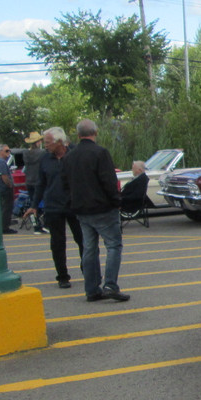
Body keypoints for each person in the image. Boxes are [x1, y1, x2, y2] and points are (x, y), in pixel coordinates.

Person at [61, 119, 129, 302]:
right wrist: (117, 201)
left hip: (82, 210)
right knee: (113, 245)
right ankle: (110, 285)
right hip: (103, 207)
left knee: (89, 249)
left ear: (78, 134)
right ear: (95, 132)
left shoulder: (69, 157)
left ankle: (91, 288)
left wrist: (72, 203)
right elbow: (108, 180)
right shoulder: (100, 153)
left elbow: (65, 184)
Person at [23, 127, 84, 289]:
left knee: (83, 239)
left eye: (48, 143)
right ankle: (62, 276)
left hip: (74, 204)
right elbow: (40, 183)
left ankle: (88, 270)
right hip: (53, 206)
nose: (46, 146)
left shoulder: (75, 154)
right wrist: (34, 205)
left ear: (59, 142)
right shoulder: (45, 159)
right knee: (57, 243)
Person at [22, 131, 46, 233]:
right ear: (38, 142)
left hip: (29, 181)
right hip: (39, 181)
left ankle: (36, 225)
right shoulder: (42, 153)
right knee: (46, 203)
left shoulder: (25, 153)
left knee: (33, 205)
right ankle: (46, 224)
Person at [0, 143, 17, 234]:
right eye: (6, 151)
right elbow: (4, 176)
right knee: (7, 208)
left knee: (2, 208)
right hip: (4, 189)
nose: (9, 153)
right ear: (0, 152)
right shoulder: (1, 162)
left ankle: (1, 226)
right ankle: (5, 227)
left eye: (9, 151)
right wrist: (10, 185)